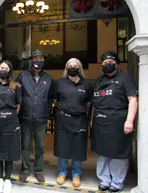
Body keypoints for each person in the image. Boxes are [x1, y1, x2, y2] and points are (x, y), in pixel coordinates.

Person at [92, 51, 138, 192]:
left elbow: (133, 100)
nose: (108, 65)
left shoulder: (125, 78)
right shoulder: (99, 81)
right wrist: (92, 121)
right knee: (103, 151)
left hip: (118, 123)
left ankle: (116, 182)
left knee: (118, 153)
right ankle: (104, 179)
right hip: (100, 123)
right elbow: (95, 103)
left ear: (117, 64)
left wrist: (129, 121)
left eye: (111, 63)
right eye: (105, 63)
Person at [53, 58, 93, 187]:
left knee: (78, 147)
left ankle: (76, 174)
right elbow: (55, 100)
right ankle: (62, 172)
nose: (73, 67)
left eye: (75, 66)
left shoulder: (86, 84)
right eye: (70, 66)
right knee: (62, 146)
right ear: (66, 68)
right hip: (63, 119)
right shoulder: (59, 83)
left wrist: (89, 117)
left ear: (79, 68)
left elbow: (90, 102)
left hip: (80, 120)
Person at [16, 49, 53, 182]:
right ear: (31, 61)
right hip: (25, 117)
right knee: (25, 145)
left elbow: (50, 99)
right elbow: (16, 94)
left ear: (44, 61)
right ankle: (25, 169)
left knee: (40, 146)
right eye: (35, 58)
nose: (38, 61)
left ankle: (38, 170)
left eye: (40, 58)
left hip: (41, 118)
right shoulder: (22, 76)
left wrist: (48, 115)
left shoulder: (48, 78)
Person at [0, 60, 21, 193]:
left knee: (9, 150)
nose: (3, 70)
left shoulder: (16, 86)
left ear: (10, 71)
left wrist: (8, 115)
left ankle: (7, 179)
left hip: (10, 122)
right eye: (2, 68)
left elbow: (18, 105)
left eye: (6, 68)